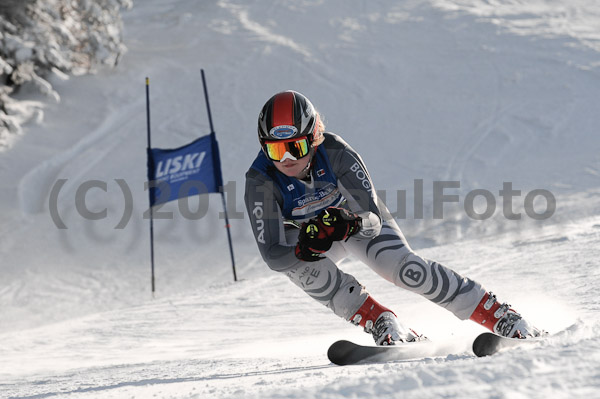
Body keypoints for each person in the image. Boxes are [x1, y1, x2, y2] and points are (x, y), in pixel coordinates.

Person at [244, 90, 543, 345]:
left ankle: (499, 314)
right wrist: (301, 249)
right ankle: (381, 321)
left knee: (403, 268)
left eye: (295, 147)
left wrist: (350, 223)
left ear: (314, 138)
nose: (287, 159)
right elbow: (272, 254)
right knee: (302, 269)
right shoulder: (260, 180)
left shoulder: (335, 152)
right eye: (275, 149)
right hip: (313, 239)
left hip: (355, 222)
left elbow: (372, 218)